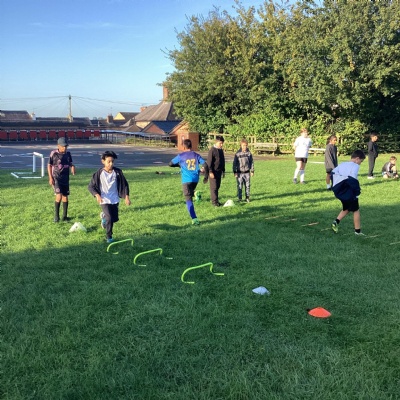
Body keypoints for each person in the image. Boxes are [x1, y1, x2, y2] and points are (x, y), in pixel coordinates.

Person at [88, 151, 131, 243]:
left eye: (112, 162)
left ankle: (104, 217)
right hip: (104, 199)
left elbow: (125, 185)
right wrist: (97, 195)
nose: (111, 164)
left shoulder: (118, 172)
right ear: (103, 161)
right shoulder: (98, 173)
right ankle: (109, 237)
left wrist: (126, 197)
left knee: (114, 219)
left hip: (114, 198)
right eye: (109, 162)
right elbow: (91, 186)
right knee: (110, 218)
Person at [169, 139, 206, 225]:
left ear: (183, 147)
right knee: (190, 191)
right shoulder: (196, 155)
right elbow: (205, 164)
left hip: (186, 180)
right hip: (195, 179)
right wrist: (205, 173)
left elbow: (170, 163)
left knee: (188, 199)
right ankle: (195, 193)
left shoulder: (181, 156)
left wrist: (179, 165)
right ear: (191, 146)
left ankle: (194, 218)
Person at [331, 150, 366, 236]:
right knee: (356, 210)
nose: (360, 163)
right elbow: (352, 179)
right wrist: (357, 191)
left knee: (347, 207)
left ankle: (336, 222)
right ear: (357, 159)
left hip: (339, 190)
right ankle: (357, 232)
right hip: (349, 191)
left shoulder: (342, 164)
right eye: (361, 161)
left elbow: (332, 173)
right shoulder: (355, 166)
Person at [48, 137, 75, 222]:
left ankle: (65, 216)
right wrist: (50, 177)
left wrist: (72, 167)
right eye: (63, 146)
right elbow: (49, 165)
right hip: (56, 178)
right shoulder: (54, 154)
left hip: (65, 178)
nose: (65, 148)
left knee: (65, 197)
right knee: (58, 196)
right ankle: (56, 217)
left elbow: (70, 163)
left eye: (66, 146)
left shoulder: (68, 154)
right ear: (58, 146)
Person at [206, 135, 226, 206]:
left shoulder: (221, 150)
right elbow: (209, 162)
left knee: (217, 186)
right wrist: (210, 172)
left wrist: (223, 170)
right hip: (213, 171)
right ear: (216, 142)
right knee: (214, 187)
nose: (221, 145)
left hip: (219, 171)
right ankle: (214, 202)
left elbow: (222, 161)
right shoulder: (212, 150)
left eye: (222, 143)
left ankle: (216, 201)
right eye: (220, 143)